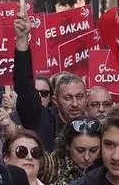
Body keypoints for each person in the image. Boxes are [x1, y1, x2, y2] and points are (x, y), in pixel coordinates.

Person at [13, 13, 88, 148]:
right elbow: (24, 86)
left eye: (80, 97)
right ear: (55, 101)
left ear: (87, 98)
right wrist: (22, 40)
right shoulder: (42, 120)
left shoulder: (94, 126)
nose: (75, 104)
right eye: (68, 98)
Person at [44, 117, 101, 185]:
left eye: (93, 150)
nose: (86, 157)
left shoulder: (107, 168)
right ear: (67, 145)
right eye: (80, 150)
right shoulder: (53, 165)